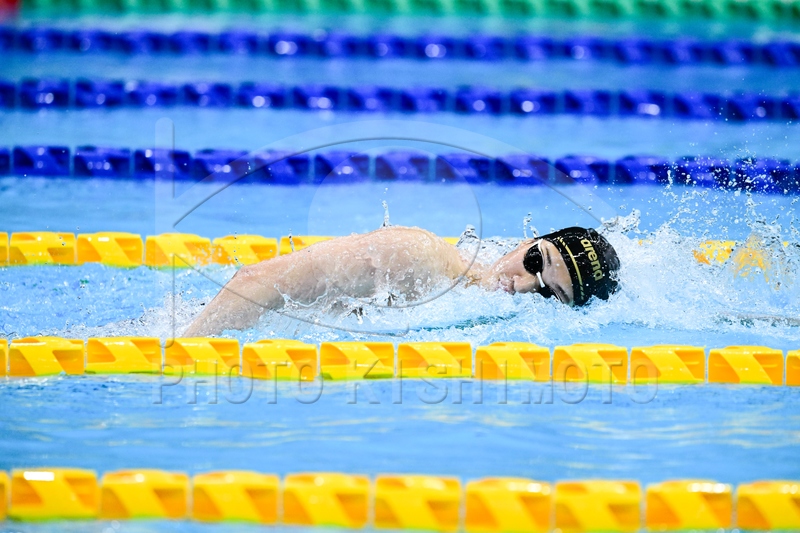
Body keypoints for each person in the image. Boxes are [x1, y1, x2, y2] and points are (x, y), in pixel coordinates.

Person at [184, 225, 621, 336]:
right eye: (535, 261)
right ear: (526, 241)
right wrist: (183, 351)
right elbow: (257, 280)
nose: (525, 284)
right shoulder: (416, 257)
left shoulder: (481, 323)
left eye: (549, 293)